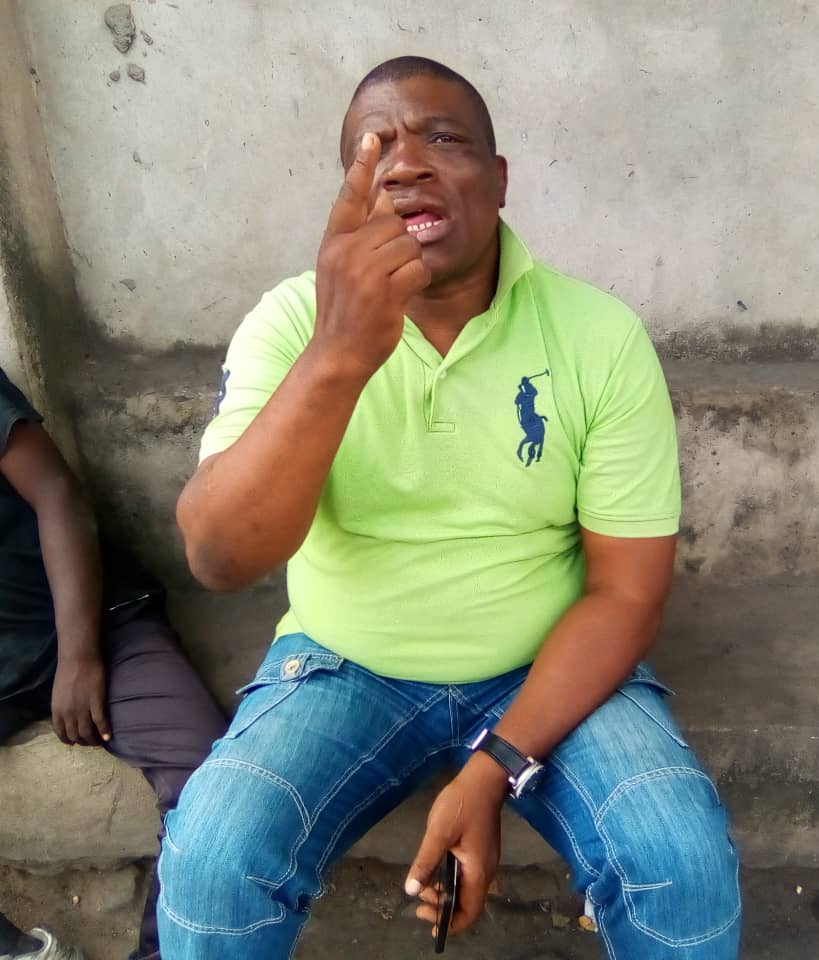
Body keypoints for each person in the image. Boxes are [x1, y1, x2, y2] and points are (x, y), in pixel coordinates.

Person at [159, 56, 741, 959]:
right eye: (374, 150)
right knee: (210, 867)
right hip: (343, 662)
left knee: (683, 867)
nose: (405, 164)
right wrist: (340, 352)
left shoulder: (597, 335)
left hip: (545, 662)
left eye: (442, 139)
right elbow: (220, 557)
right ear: (352, 195)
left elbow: (626, 593)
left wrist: (493, 768)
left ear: (499, 180)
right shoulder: (291, 323)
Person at [0, 368, 226, 960]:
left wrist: (78, 655)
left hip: (94, 624)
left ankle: (162, 950)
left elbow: (56, 492)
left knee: (208, 775)